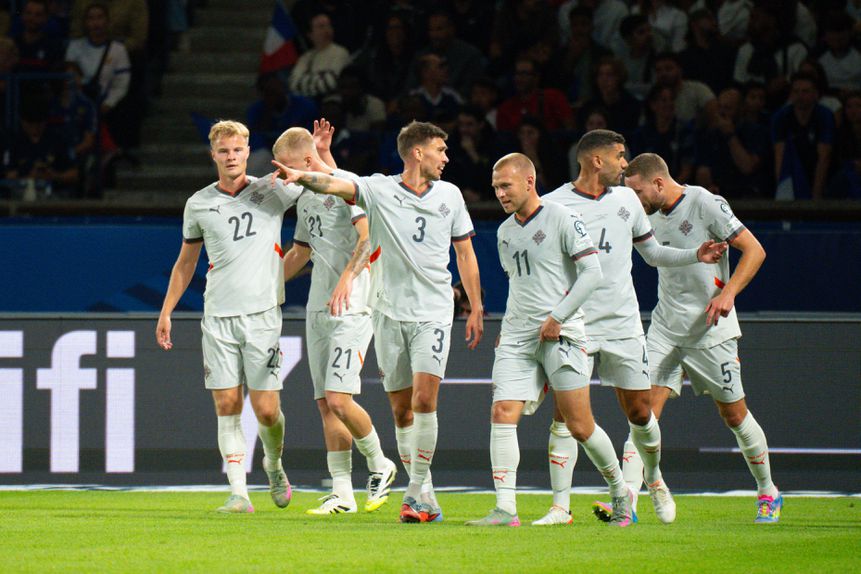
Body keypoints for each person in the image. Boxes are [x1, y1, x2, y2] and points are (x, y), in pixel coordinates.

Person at [272, 120, 484, 524]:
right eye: (441, 149)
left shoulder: (451, 195)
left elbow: (462, 253)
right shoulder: (380, 188)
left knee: (417, 401)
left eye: (288, 169)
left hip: (417, 310)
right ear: (418, 152)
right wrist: (265, 287)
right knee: (398, 411)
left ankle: (410, 489)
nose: (447, 157)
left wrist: (474, 305)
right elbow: (328, 200)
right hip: (387, 311)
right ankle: (397, 493)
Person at [538, 129, 726, 526]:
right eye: (620, 157)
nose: (626, 165)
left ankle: (654, 480)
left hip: (624, 322)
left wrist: (696, 252)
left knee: (641, 412)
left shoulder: (626, 200)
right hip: (577, 325)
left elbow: (652, 252)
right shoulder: (553, 204)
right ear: (596, 161)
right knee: (564, 415)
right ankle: (559, 506)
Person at [464, 152, 632, 528]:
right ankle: (506, 509)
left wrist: (558, 317)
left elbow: (592, 273)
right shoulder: (505, 232)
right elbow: (520, 287)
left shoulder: (562, 218)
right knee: (501, 412)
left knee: (580, 425)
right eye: (495, 188)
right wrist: (507, 328)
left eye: (505, 186)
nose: (500, 194)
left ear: (529, 181)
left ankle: (621, 493)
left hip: (563, 333)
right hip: (519, 335)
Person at [620, 152, 781, 524]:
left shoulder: (705, 203)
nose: (636, 199)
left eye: (639, 190)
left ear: (658, 183)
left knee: (733, 414)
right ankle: (626, 498)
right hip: (665, 326)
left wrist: (728, 294)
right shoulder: (642, 215)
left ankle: (768, 491)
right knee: (642, 411)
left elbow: (755, 250)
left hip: (711, 328)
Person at [156, 120, 299, 514]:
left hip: (263, 315)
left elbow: (319, 182)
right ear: (213, 155)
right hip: (217, 315)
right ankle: (238, 493)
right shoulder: (199, 203)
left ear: (247, 150)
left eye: (237, 150)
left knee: (267, 409)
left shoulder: (273, 188)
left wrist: (317, 152)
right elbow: (186, 263)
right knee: (227, 404)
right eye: (224, 151)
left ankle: (274, 464)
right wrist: (167, 310)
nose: (231, 157)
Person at [275, 121, 398, 515]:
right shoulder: (305, 198)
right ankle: (342, 494)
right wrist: (262, 286)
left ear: (308, 161)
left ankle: (381, 464)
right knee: (326, 405)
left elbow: (368, 238)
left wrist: (347, 279)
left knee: (339, 399)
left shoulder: (349, 187)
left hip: (354, 305)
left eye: (287, 169)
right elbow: (300, 252)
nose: (283, 177)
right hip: (318, 307)